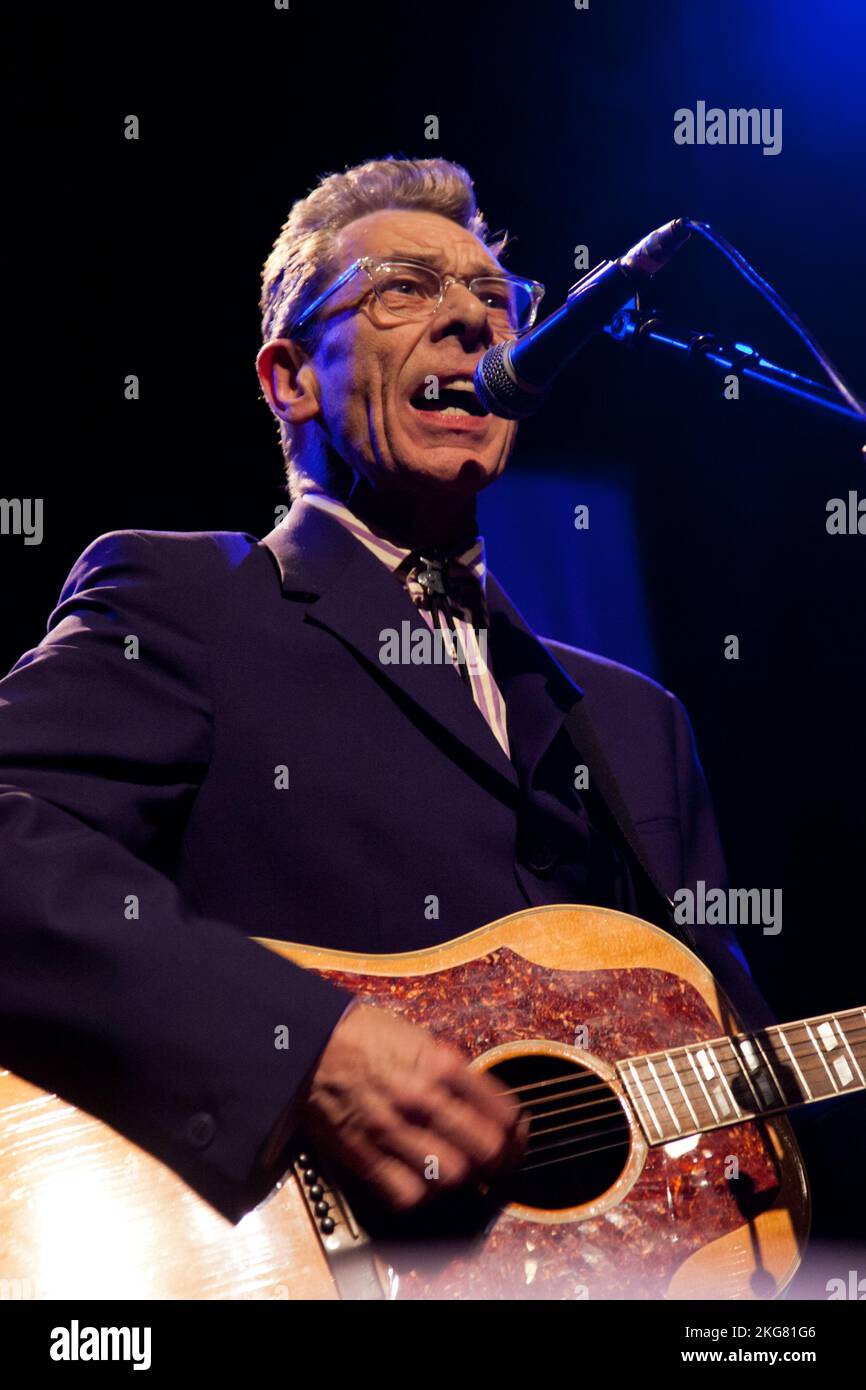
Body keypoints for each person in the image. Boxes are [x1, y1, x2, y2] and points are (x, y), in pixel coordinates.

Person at [0, 156, 774, 1226]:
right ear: (289, 379)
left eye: (495, 300)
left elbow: (739, 1084)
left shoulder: (637, 722)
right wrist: (301, 1047)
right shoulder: (183, 597)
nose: (472, 324)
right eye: (405, 289)